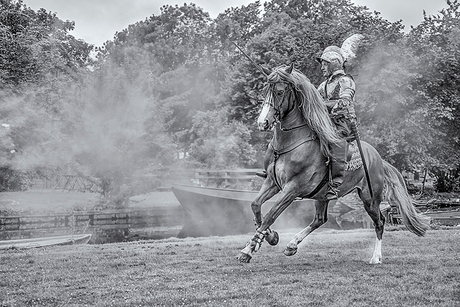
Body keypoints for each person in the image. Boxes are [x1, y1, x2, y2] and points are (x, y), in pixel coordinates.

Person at [316, 45, 357, 201]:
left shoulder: (346, 81)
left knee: (336, 141)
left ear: (334, 63)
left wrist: (321, 106)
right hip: (326, 123)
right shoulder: (323, 85)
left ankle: (336, 183)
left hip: (342, 123)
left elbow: (344, 103)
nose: (322, 67)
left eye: (325, 64)